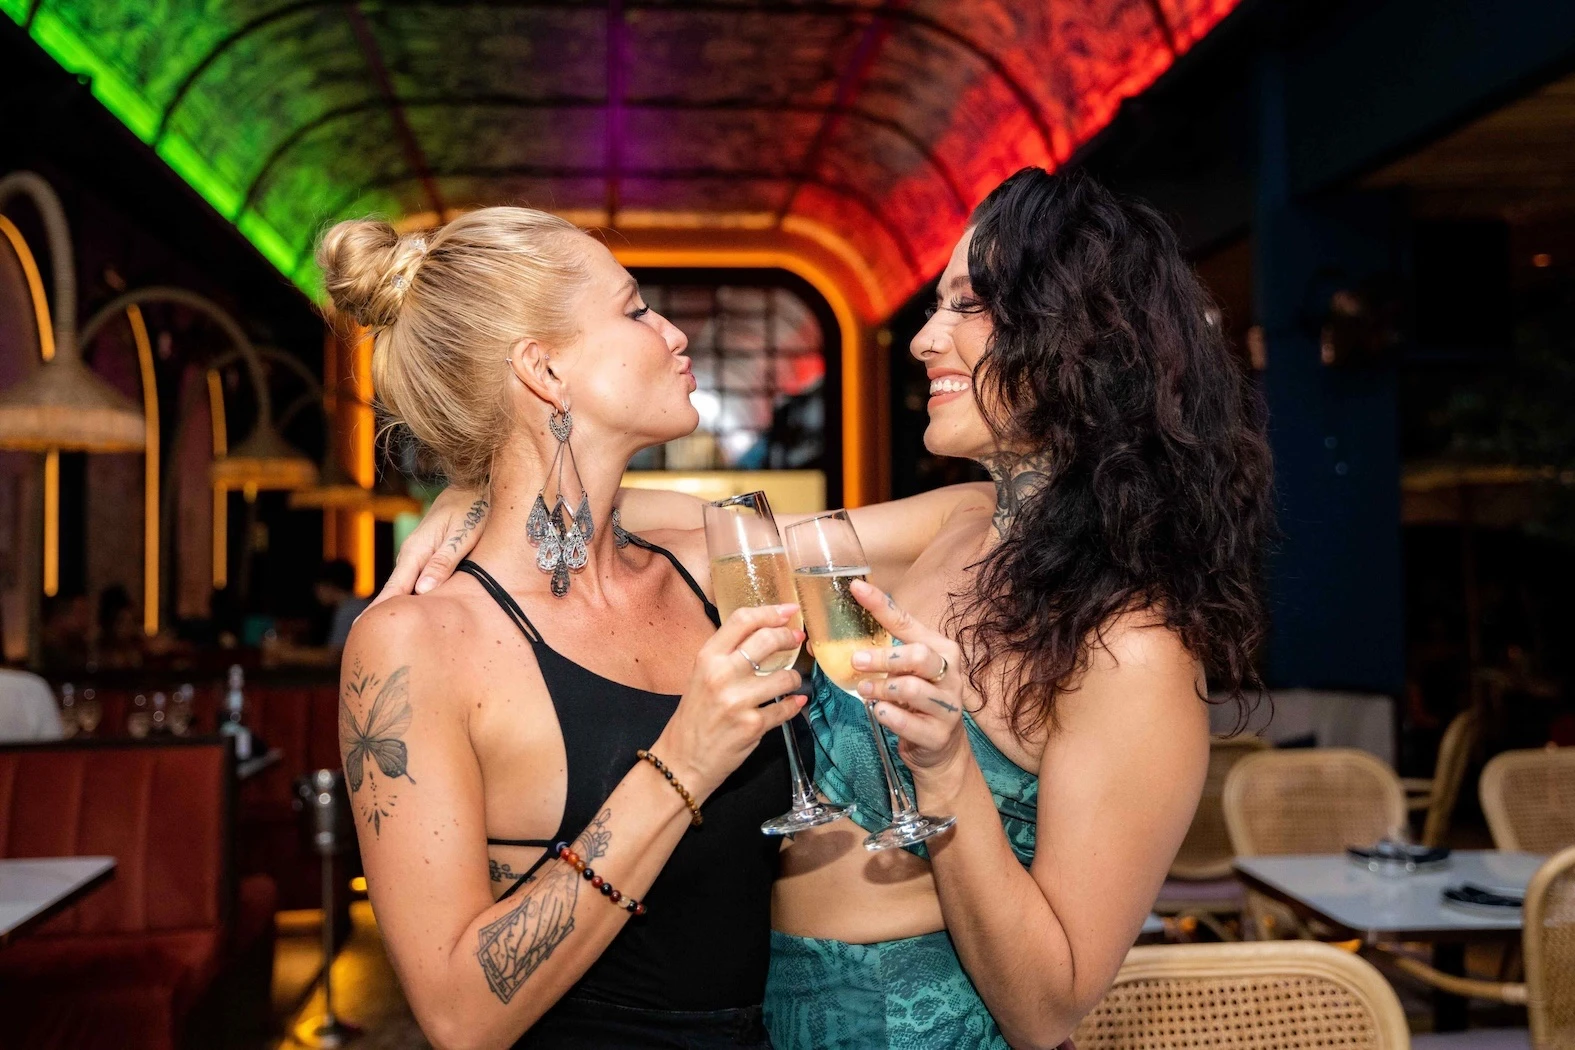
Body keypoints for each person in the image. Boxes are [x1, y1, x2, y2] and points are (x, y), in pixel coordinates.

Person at [382, 168, 1272, 1048]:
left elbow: (1047, 1010)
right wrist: (474, 492)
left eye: (967, 306)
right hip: (766, 1021)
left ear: (1081, 334)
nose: (925, 340)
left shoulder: (1132, 647)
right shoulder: (956, 526)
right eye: (935, 306)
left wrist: (950, 770)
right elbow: (714, 529)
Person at [319, 207, 807, 1049]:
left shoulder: (715, 555)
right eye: (635, 310)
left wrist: (473, 498)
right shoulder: (416, 641)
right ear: (544, 369)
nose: (674, 334)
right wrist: (684, 759)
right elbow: (458, 1016)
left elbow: (969, 515)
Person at [264, 560, 370, 667]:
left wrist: (286, 654)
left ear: (329, 586)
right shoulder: (356, 605)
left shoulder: (349, 611)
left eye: (318, 587)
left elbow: (334, 656)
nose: (316, 592)